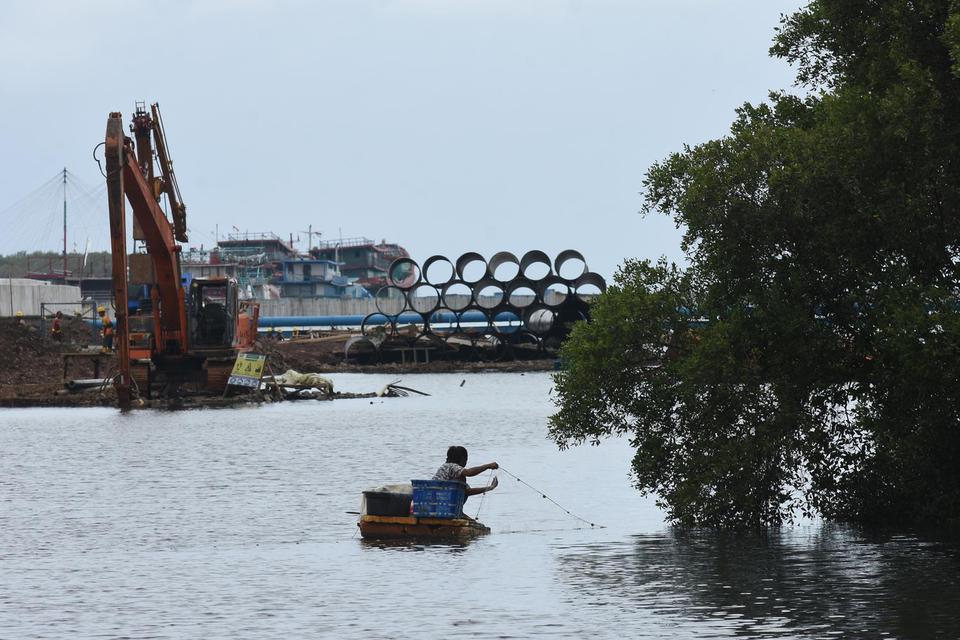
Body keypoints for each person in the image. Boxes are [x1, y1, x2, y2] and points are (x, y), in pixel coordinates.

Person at [433, 445, 499, 498]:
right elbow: (469, 473)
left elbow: (467, 492)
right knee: (462, 478)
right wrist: (488, 466)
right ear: (462, 460)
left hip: (437, 501)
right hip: (440, 500)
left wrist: (490, 488)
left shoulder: (449, 471)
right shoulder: (451, 466)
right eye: (466, 460)